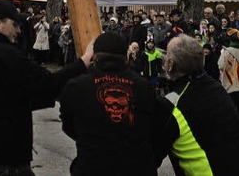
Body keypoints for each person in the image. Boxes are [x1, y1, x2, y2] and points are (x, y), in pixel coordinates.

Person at [0, 0, 94, 176]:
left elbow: (5, 97)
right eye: (14, 24)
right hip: (2, 156)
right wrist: (83, 62)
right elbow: (46, 82)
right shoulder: (6, 54)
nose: (19, 30)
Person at [156, 34, 239, 176]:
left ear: (170, 65)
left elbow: (152, 154)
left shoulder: (171, 104)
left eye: (167, 54)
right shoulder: (216, 88)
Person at [59, 32, 163, 175]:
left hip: (92, 166)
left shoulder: (76, 86)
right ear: (126, 57)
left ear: (94, 57)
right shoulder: (145, 87)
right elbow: (157, 128)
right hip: (136, 167)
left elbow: (68, 124)